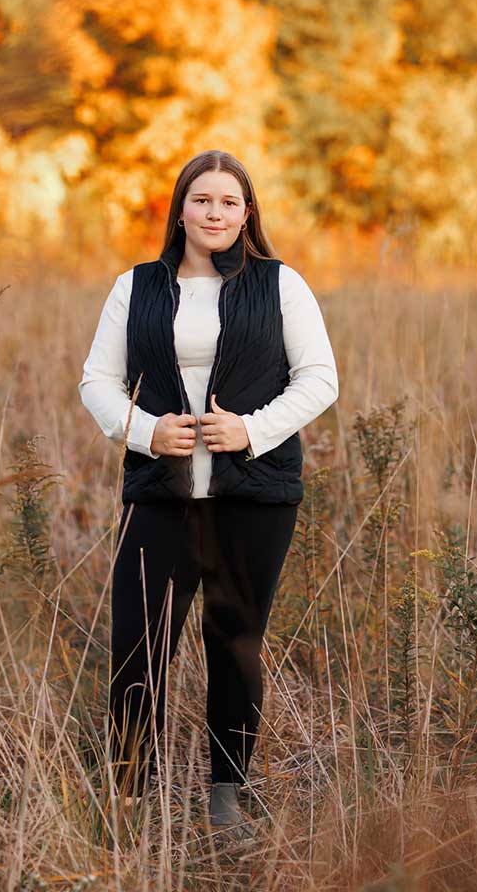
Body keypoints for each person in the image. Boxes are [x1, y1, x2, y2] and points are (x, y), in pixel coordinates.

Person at [78, 150, 338, 841]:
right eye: (201, 200)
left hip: (253, 495)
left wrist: (247, 430)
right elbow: (95, 382)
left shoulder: (281, 286)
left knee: (234, 643)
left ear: (247, 212)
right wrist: (144, 431)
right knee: (139, 644)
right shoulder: (136, 287)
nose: (215, 213)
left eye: (228, 201)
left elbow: (319, 379)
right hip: (160, 492)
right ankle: (128, 804)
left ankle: (226, 803)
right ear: (181, 209)